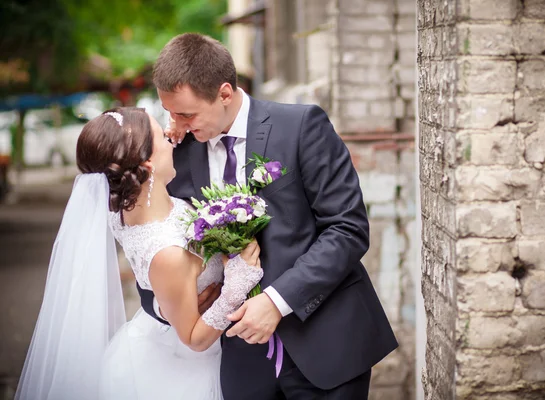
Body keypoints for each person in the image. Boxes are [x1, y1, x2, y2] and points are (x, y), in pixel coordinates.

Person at [140, 33, 399, 399]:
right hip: (238, 360)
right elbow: (153, 241)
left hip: (326, 343)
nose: (177, 123)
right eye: (170, 112)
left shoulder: (301, 127)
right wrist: (172, 307)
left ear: (225, 93)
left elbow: (347, 228)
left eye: (186, 113)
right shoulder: (177, 158)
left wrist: (277, 301)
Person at [15, 107, 263, 400]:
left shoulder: (123, 208)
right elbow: (194, 339)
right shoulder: (166, 251)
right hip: (185, 370)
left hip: (152, 339)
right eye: (162, 135)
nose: (172, 140)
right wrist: (233, 289)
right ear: (147, 162)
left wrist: (165, 305)